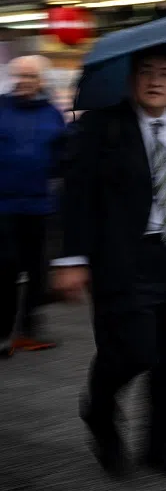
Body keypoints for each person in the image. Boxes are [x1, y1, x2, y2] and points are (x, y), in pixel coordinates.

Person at [52, 44, 166, 478]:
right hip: (127, 257)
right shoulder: (101, 127)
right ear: (131, 80)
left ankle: (159, 444)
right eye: (146, 72)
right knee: (132, 351)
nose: (156, 80)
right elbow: (76, 194)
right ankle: (100, 410)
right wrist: (71, 258)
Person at [0, 55, 67, 357]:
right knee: (6, 271)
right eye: (20, 76)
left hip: (40, 207)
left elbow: (62, 157)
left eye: (30, 77)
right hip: (4, 207)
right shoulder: (1, 107)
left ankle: (27, 330)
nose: (24, 82)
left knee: (38, 273)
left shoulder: (52, 114)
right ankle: (3, 335)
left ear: (41, 81)